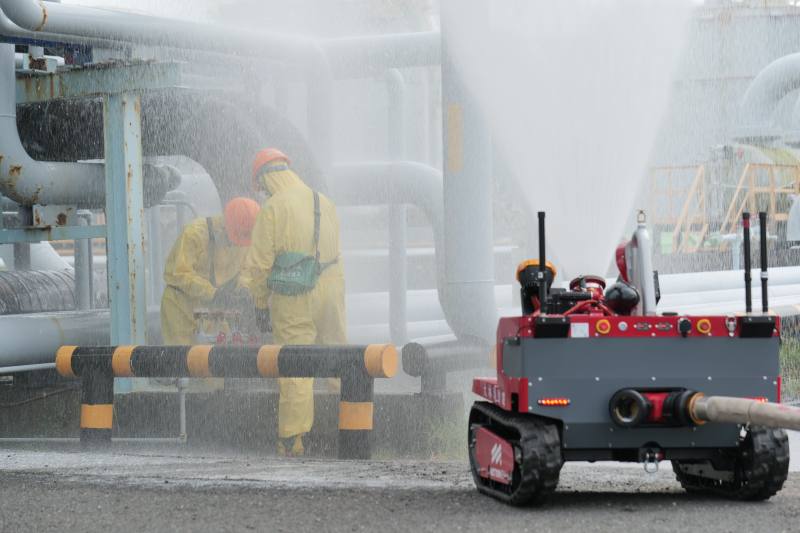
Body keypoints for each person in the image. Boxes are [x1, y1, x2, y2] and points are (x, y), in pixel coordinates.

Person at [239, 148, 346, 457]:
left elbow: (259, 266)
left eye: (261, 188)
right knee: (341, 358)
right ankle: (355, 423)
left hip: (294, 296)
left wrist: (260, 303)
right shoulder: (323, 201)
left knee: (297, 366)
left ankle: (292, 440)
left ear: (265, 180)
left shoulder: (273, 208)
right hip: (331, 289)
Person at [160, 197, 261, 345]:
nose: (237, 245)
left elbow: (245, 270)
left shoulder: (245, 238)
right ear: (226, 225)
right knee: (182, 357)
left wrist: (244, 289)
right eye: (235, 239)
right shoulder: (194, 234)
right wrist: (213, 293)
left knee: (218, 355)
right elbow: (179, 274)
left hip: (212, 308)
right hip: (181, 305)